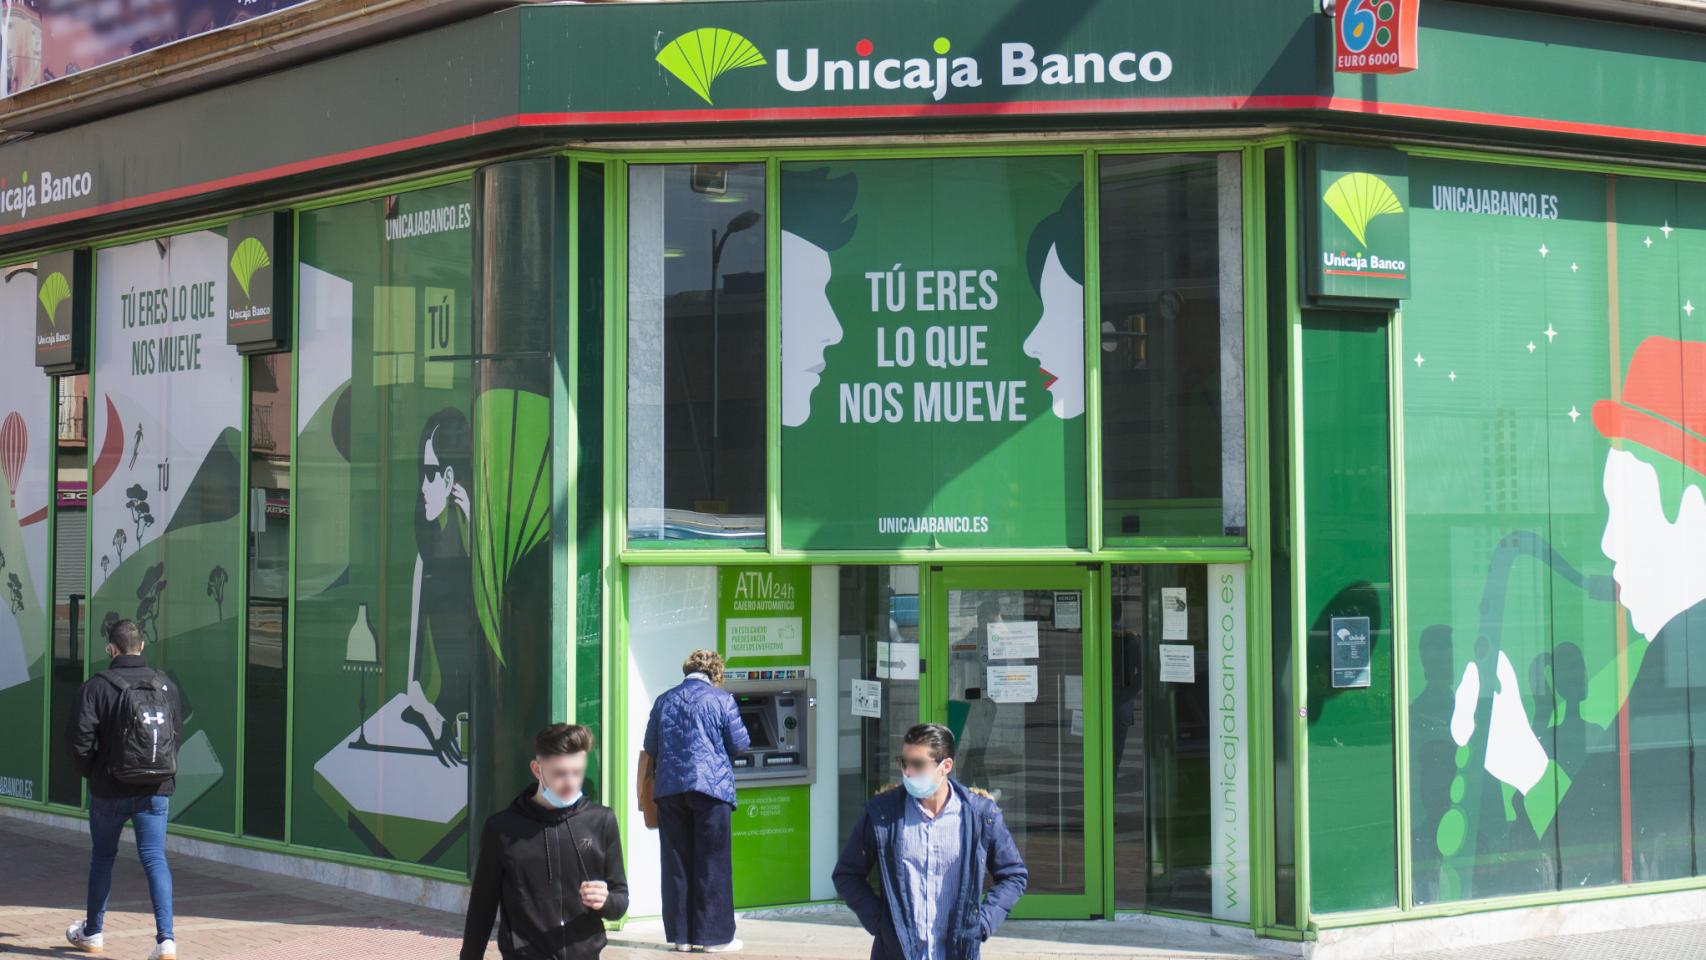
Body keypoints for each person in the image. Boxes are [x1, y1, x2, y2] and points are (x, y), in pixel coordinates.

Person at [833, 723, 1028, 960]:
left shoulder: (980, 815)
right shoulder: (884, 814)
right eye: (903, 762)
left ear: (946, 766)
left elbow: (1013, 875)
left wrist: (983, 923)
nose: (907, 772)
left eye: (918, 764)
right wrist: (881, 924)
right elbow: (847, 875)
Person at [63, 618, 181, 960]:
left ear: (111, 649)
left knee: (102, 858)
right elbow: (175, 736)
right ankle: (166, 941)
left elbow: (77, 742)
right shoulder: (165, 685)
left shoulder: (97, 686)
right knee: (155, 858)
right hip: (155, 788)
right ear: (141, 646)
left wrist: (95, 772)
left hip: (109, 789)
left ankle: (93, 933)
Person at [462, 723, 628, 960]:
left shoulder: (602, 820)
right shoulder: (502, 829)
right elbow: (482, 905)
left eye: (578, 772)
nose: (570, 783)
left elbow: (620, 900)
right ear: (537, 769)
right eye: (560, 774)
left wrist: (606, 901)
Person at [639, 649, 750, 953]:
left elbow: (650, 746)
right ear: (715, 672)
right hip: (711, 790)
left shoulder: (663, 700)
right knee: (713, 862)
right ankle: (715, 938)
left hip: (670, 790)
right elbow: (740, 743)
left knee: (675, 863)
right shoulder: (722, 699)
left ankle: (681, 937)